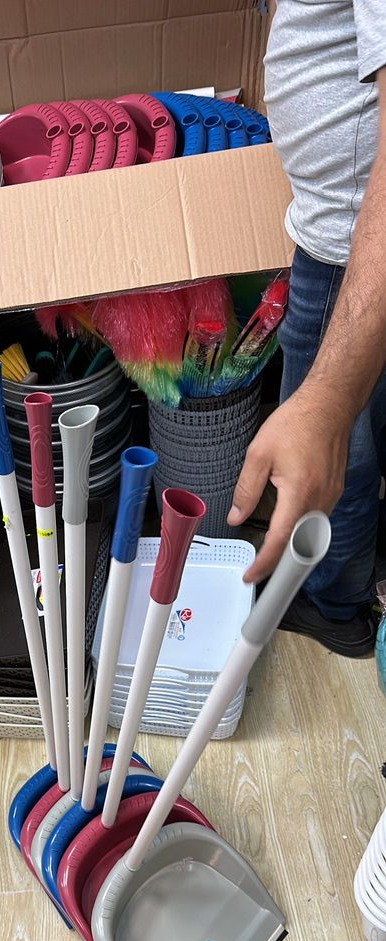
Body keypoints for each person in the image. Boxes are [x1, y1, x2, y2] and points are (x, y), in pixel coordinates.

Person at [229, 0, 386, 657]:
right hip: (345, 242)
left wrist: (324, 402)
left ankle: (332, 605)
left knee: (329, 458)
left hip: (352, 257)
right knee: (349, 443)